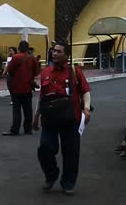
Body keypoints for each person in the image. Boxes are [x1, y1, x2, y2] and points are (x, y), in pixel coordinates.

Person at [38, 41, 91, 195]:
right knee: (45, 149)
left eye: (59, 51)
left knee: (71, 153)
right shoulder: (46, 72)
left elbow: (86, 91)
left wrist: (86, 109)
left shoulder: (74, 71)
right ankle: (51, 174)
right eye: (54, 51)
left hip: (70, 119)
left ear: (66, 55)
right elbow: (42, 96)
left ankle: (68, 182)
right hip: (49, 120)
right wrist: (36, 117)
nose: (54, 54)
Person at [4, 40, 40, 135]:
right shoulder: (32, 58)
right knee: (28, 110)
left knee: (17, 110)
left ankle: (15, 129)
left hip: (16, 87)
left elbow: (10, 70)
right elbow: (36, 72)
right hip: (28, 87)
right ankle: (28, 129)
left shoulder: (16, 57)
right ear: (28, 48)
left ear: (19, 48)